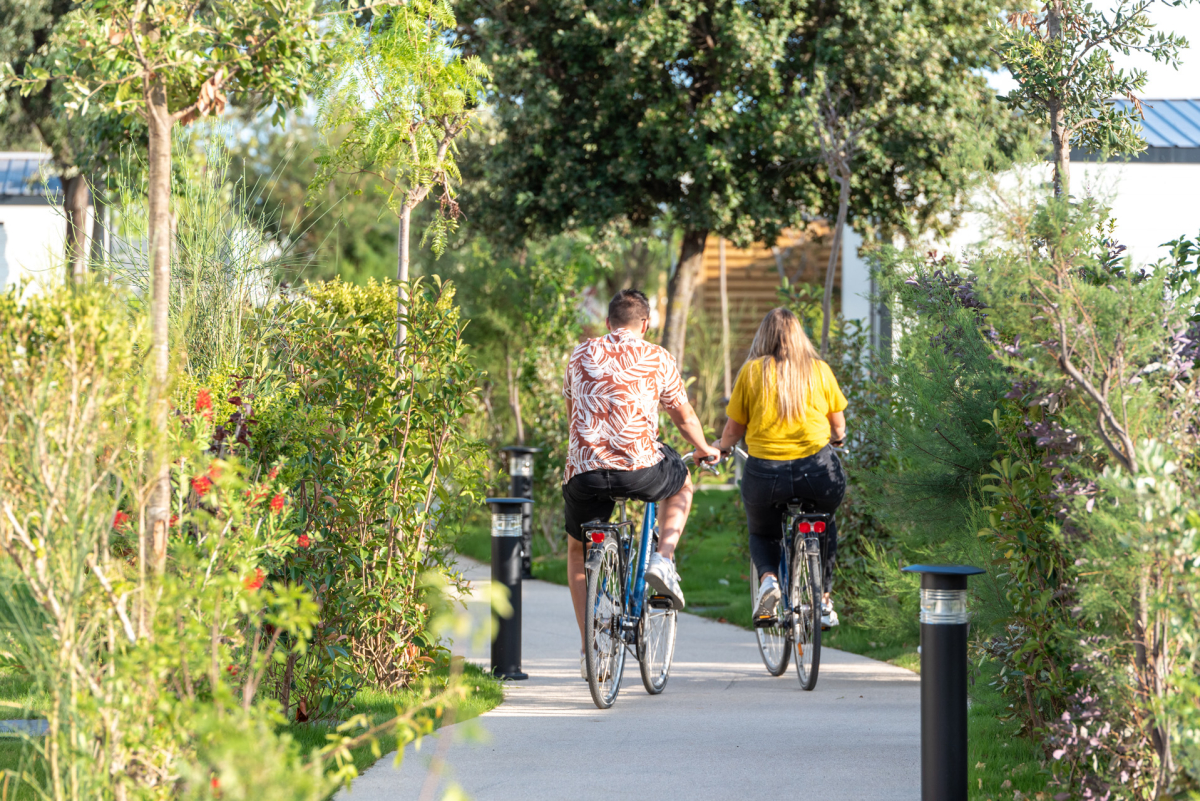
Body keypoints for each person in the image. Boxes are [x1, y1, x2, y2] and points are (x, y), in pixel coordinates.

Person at [563, 289, 720, 675]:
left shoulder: (580, 354)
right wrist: (703, 449)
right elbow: (683, 418)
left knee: (577, 552)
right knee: (681, 481)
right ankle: (663, 559)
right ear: (645, 325)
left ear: (607, 323)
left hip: (586, 472)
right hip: (640, 471)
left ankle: (589, 648)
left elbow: (572, 414)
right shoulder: (657, 357)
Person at [714, 307, 848, 628]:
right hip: (817, 473)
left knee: (763, 531)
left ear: (764, 336)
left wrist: (722, 448)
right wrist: (838, 439)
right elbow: (838, 428)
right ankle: (825, 600)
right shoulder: (819, 370)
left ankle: (770, 582)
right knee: (824, 520)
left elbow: (733, 432)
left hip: (765, 475)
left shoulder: (751, 372)